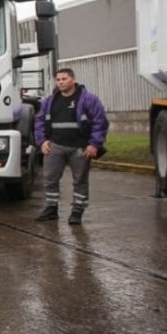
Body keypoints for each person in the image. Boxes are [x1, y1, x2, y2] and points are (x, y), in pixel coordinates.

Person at [34, 68, 109, 225]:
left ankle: (77, 211)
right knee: (50, 179)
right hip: (55, 146)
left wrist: (94, 144)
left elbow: (99, 121)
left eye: (64, 79)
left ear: (73, 80)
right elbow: (39, 122)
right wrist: (42, 142)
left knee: (80, 180)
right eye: (58, 79)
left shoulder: (88, 99)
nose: (61, 82)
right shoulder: (50, 101)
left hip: (80, 148)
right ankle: (51, 208)